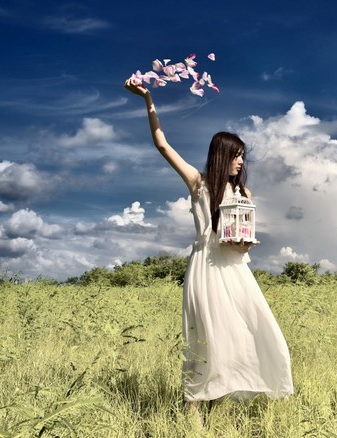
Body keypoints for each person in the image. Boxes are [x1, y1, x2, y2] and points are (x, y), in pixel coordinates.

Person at [123, 79, 293, 405]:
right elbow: (162, 145)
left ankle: (224, 404)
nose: (241, 162)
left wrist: (244, 246)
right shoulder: (198, 183)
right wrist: (148, 99)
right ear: (221, 155)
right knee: (207, 341)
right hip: (205, 268)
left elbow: (241, 235)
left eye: (243, 156)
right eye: (236, 156)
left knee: (254, 331)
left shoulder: (244, 193)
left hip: (237, 270)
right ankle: (193, 412)